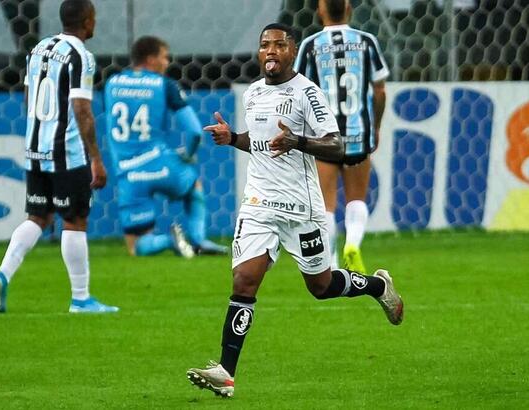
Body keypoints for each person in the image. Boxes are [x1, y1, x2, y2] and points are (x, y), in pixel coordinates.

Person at [186, 23, 403, 398]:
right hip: (259, 203)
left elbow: (337, 145)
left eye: (278, 45)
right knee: (244, 281)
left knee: (321, 286)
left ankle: (378, 285)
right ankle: (226, 373)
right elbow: (260, 143)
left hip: (302, 208)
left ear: (292, 51)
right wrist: (232, 138)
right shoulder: (252, 94)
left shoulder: (308, 94)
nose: (270, 51)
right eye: (264, 45)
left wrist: (298, 141)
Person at [0, 0, 118, 314]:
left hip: (36, 148)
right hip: (66, 153)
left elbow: (29, 96)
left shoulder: (39, 49)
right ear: (87, 21)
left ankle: (2, 275)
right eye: (94, 18)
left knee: (38, 217)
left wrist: (40, 132)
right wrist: (95, 159)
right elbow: (82, 110)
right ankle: (81, 299)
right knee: (74, 220)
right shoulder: (81, 57)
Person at [104, 36, 228, 258]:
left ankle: (167, 241)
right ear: (151, 59)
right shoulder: (163, 85)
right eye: (164, 57)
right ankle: (199, 240)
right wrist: (187, 155)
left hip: (128, 173)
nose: (167, 62)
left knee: (137, 246)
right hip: (161, 163)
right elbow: (194, 132)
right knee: (193, 185)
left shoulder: (112, 83)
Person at [294, 0, 389, 273]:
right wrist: (377, 125)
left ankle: (332, 264)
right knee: (356, 199)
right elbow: (380, 90)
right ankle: (353, 244)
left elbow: (297, 89)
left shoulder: (311, 45)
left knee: (326, 205)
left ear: (320, 11)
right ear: (349, 9)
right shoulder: (367, 41)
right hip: (358, 133)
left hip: (324, 138)